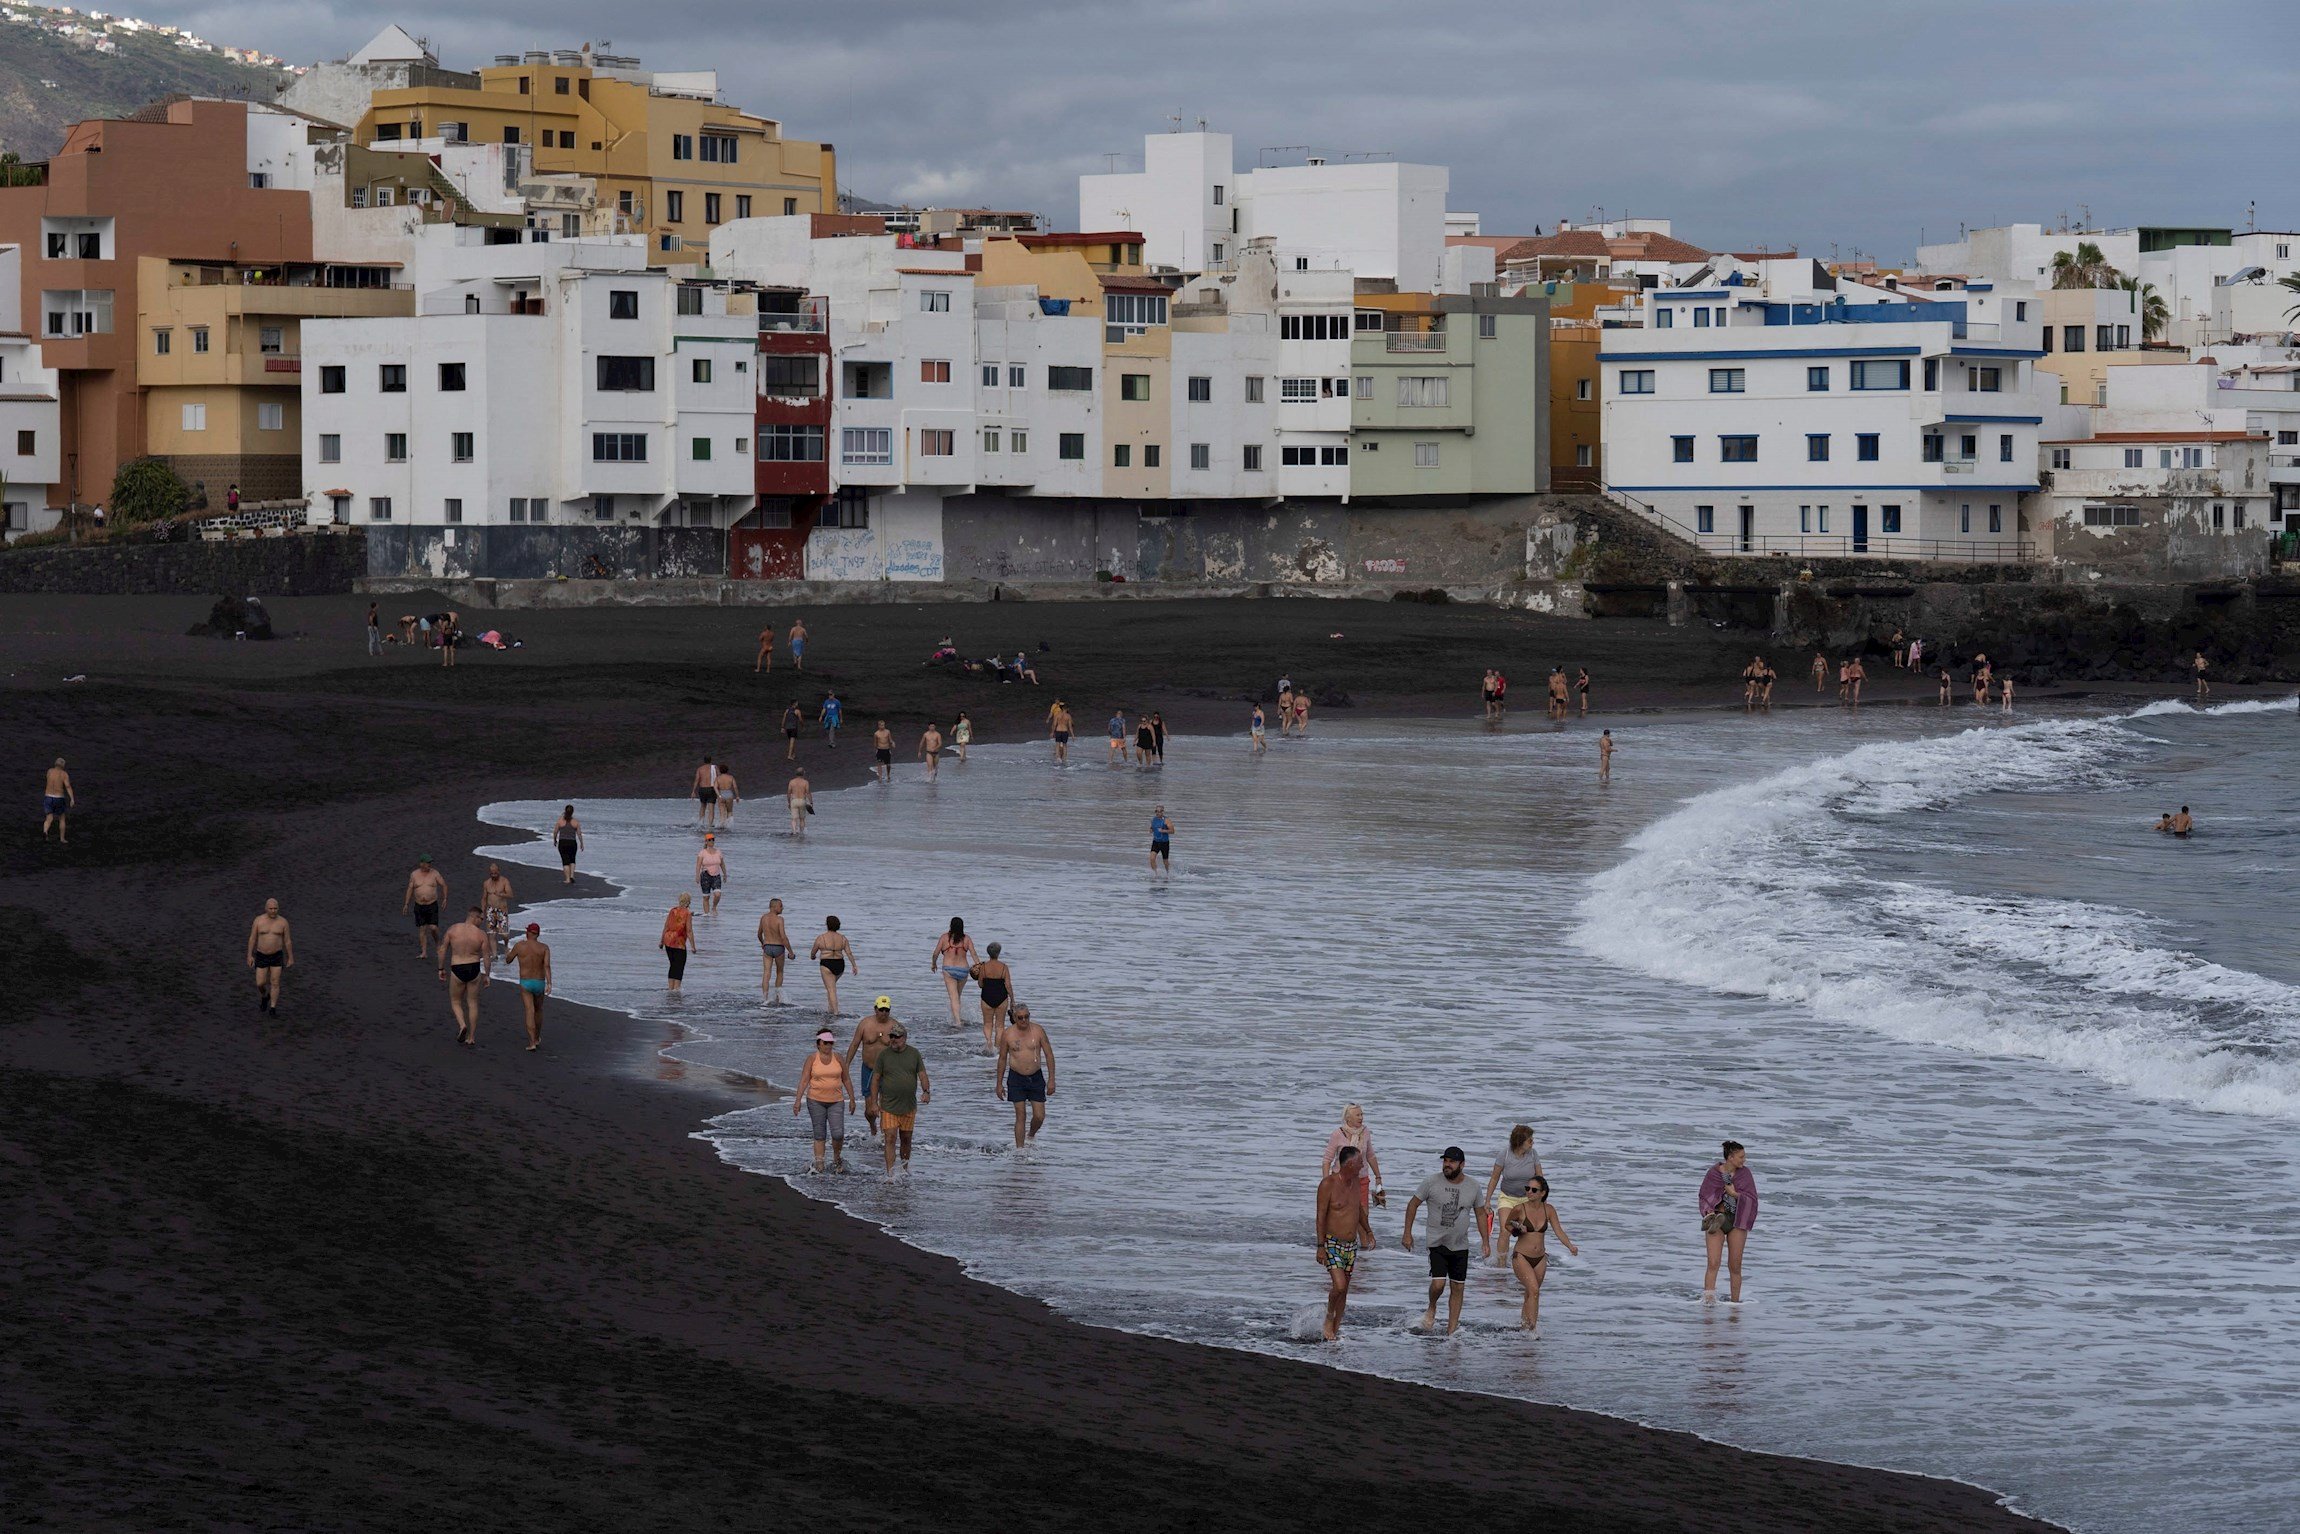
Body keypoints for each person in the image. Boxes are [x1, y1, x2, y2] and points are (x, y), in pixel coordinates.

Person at [1402, 1147, 1486, 1336]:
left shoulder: (1473, 1186)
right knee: (1439, 1284)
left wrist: (1485, 1241)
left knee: (1457, 1286)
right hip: (1437, 1242)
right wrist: (1407, 1233)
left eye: (1452, 1161)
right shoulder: (1431, 1182)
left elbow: (1480, 1212)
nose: (1447, 1165)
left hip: (1460, 1244)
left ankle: (1451, 1330)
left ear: (1462, 1165)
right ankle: (1432, 1307)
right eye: (1445, 1161)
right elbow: (1413, 1204)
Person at [1315, 1144, 1377, 1342]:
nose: (1362, 1165)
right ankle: (1329, 1316)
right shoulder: (1328, 1184)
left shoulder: (1356, 1183)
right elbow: (1320, 1217)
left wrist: (1368, 1231)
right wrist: (1320, 1246)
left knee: (1345, 1290)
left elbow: (1358, 1210)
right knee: (1339, 1286)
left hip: (1351, 1246)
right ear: (1350, 1164)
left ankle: (1335, 1329)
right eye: (1360, 1162)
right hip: (1332, 1242)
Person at [1505, 1174, 1577, 1334]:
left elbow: (1558, 1230)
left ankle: (1526, 1327)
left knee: (1532, 1294)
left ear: (1542, 1193)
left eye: (1533, 1189)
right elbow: (1507, 1225)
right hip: (1521, 1256)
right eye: (1527, 1188)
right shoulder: (1520, 1208)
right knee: (1534, 1290)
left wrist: (1570, 1246)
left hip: (1540, 1258)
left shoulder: (1549, 1209)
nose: (1529, 1192)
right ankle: (1531, 1331)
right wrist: (1518, 1228)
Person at [1700, 1140, 1759, 1303]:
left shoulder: (1745, 1174)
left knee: (1735, 1265)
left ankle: (1735, 1304)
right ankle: (1708, 1302)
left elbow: (1753, 1199)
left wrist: (1734, 1194)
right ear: (1731, 1157)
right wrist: (1709, 1210)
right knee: (1713, 1263)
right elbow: (1704, 1196)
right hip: (1718, 1219)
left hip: (1737, 1220)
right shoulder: (1713, 1173)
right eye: (1741, 1157)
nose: (1744, 1160)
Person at [870, 1019, 929, 1171]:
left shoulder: (914, 1053)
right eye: (891, 1037)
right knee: (890, 1138)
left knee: (906, 1139)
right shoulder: (884, 1055)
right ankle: (890, 1173)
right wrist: (874, 1103)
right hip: (888, 1106)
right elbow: (875, 1079)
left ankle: (904, 1170)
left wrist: (926, 1091)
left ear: (904, 1038)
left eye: (896, 1037)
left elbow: (922, 1075)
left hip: (909, 1106)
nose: (893, 1040)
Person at [995, 1002, 1056, 1148]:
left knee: (1039, 1116)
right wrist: (999, 1083)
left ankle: (1031, 1134)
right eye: (1020, 1018)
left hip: (1036, 1077)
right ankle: (1020, 1150)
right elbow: (1002, 1058)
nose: (1024, 1021)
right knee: (1020, 1115)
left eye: (1026, 1017)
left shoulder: (1038, 1031)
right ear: (1015, 1018)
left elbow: (1049, 1054)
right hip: (1016, 1077)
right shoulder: (1008, 1034)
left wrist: (1051, 1079)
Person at [793, 1027, 854, 1172]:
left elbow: (846, 1079)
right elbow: (804, 1081)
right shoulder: (812, 1059)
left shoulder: (838, 1058)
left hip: (836, 1101)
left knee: (838, 1133)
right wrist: (797, 1101)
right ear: (818, 1043)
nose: (828, 1046)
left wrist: (852, 1098)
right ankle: (819, 1164)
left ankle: (836, 1158)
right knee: (819, 1133)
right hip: (815, 1100)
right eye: (825, 1043)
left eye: (830, 1043)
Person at [1483, 1125, 1546, 1264]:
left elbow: (1540, 1177)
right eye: (1530, 1140)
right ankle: (1501, 1266)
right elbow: (1494, 1178)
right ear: (1520, 1142)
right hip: (1507, 1198)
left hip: (1527, 1199)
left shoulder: (1533, 1154)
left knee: (1528, 1233)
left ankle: (1525, 1262)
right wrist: (1487, 1201)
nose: (1532, 1143)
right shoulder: (1504, 1154)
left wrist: (1542, 1200)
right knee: (1506, 1230)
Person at [439, 906, 492, 1045]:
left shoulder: (453, 929)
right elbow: (486, 956)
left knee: (456, 1001)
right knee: (472, 1003)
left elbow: (442, 949)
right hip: (473, 968)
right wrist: (487, 975)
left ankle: (462, 1025)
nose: (482, 921)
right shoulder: (481, 934)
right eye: (481, 918)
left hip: (457, 967)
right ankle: (471, 1037)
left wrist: (440, 968)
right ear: (474, 917)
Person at [846, 998, 897, 1138]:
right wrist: (846, 1065)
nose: (884, 1013)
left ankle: (883, 1135)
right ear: (875, 1009)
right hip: (869, 1070)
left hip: (887, 1072)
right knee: (870, 1111)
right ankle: (872, 1125)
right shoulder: (865, 1024)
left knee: (885, 1107)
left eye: (887, 1010)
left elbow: (901, 1049)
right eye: (881, 1009)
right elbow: (855, 1044)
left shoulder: (894, 1026)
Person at [1321, 1104, 1386, 1209]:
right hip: (1341, 1181)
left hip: (1361, 1180)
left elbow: (1370, 1155)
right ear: (1348, 1118)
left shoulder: (1365, 1132)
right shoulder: (1337, 1134)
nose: (1361, 1117)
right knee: (1342, 1213)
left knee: (1363, 1214)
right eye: (1357, 1115)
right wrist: (1326, 1183)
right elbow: (1327, 1160)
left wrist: (1378, 1177)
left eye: (1361, 1114)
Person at [506, 922, 551, 1050]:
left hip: (526, 982)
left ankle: (531, 1043)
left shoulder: (520, 945)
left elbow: (508, 960)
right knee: (538, 1010)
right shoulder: (544, 948)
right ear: (537, 934)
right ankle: (537, 1038)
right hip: (539, 982)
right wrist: (549, 983)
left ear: (529, 933)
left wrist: (509, 952)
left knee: (529, 1011)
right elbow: (547, 966)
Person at [245, 898, 293, 1016]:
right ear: (266, 908)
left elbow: (287, 941)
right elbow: (252, 938)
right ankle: (264, 996)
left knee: (275, 982)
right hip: (261, 955)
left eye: (275, 908)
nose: (273, 911)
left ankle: (273, 1008)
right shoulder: (259, 920)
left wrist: (290, 957)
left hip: (277, 955)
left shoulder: (283, 922)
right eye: (271, 908)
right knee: (260, 983)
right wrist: (249, 955)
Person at [931, 917, 977, 1027]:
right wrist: (979, 966)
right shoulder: (967, 939)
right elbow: (974, 954)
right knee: (957, 996)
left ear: (951, 926)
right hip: (963, 970)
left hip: (949, 970)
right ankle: (956, 1017)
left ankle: (957, 1022)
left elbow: (935, 953)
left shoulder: (944, 938)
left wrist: (934, 963)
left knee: (953, 997)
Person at [970, 941, 1014, 1055]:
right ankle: (997, 1048)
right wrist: (1013, 999)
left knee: (987, 1023)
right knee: (1000, 1025)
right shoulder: (1004, 967)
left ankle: (989, 1042)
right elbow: (1008, 985)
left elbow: (980, 984)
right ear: (998, 953)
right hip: (1001, 997)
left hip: (986, 996)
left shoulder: (983, 967)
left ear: (988, 953)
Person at [402, 856, 447, 957]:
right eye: (427, 863)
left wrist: (445, 899)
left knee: (433, 928)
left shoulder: (435, 873)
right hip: (419, 905)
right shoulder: (414, 874)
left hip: (432, 904)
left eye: (430, 863)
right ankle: (424, 952)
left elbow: (444, 885)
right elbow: (410, 888)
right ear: (421, 863)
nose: (429, 865)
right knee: (422, 929)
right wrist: (406, 904)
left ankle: (437, 944)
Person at [811, 914, 857, 1013]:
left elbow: (813, 951)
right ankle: (830, 1009)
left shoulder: (821, 937)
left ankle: (835, 1013)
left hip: (827, 964)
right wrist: (854, 965)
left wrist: (813, 957)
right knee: (830, 987)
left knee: (831, 989)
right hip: (840, 965)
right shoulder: (843, 938)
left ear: (827, 925)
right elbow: (849, 953)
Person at [661, 893, 697, 993]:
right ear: (689, 901)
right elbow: (689, 931)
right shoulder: (687, 913)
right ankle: (676, 989)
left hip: (668, 940)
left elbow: (666, 926)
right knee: (679, 966)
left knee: (673, 965)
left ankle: (670, 988)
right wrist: (693, 947)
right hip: (679, 942)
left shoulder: (673, 910)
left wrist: (661, 941)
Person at [758, 897, 792, 1001]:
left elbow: (759, 934)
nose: (782, 908)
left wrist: (763, 943)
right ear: (774, 907)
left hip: (767, 947)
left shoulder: (763, 918)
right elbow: (783, 937)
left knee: (766, 973)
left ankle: (765, 998)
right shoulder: (780, 919)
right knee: (780, 972)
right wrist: (791, 951)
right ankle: (777, 998)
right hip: (778, 948)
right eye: (781, 906)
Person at [481, 862, 516, 956]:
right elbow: (484, 898)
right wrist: (482, 911)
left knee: (504, 934)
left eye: (495, 873)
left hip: (501, 910)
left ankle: (506, 945)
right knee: (491, 934)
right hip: (490, 911)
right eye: (492, 873)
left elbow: (511, 895)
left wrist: (501, 894)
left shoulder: (504, 881)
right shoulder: (486, 883)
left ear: (498, 872)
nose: (493, 875)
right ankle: (494, 955)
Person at [41, 757, 74, 844]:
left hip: (48, 797)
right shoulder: (64, 774)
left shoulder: (49, 771)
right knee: (62, 818)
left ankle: (45, 831)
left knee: (49, 818)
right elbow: (67, 786)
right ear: (63, 765)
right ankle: (62, 838)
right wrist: (72, 798)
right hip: (59, 798)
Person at [695, 833, 727, 915]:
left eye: (713, 839)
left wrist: (725, 874)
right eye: (710, 840)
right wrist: (697, 876)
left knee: (717, 894)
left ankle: (714, 907)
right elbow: (698, 865)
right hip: (705, 875)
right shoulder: (702, 853)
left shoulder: (718, 852)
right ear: (706, 842)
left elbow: (722, 864)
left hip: (716, 875)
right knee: (706, 897)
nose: (712, 841)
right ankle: (707, 916)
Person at [553, 804, 583, 885]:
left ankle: (567, 879)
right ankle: (572, 876)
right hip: (572, 843)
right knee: (572, 859)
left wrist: (555, 840)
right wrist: (582, 843)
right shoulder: (575, 822)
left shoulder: (560, 821)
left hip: (563, 842)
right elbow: (579, 834)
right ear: (573, 812)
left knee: (565, 861)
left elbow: (555, 831)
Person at [692, 758, 720, 827]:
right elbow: (719, 777)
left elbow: (697, 779)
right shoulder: (715, 767)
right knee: (711, 808)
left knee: (703, 806)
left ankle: (700, 823)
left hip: (702, 789)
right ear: (711, 760)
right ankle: (710, 825)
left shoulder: (700, 769)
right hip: (711, 788)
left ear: (704, 761)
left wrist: (693, 791)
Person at [1149, 805, 1175, 874]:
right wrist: (1151, 830)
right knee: (1152, 858)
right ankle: (1156, 874)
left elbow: (1172, 831)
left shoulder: (1167, 820)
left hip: (1164, 843)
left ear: (1163, 812)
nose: (1158, 813)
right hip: (1156, 842)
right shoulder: (1153, 819)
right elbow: (1152, 827)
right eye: (1156, 811)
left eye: (1159, 811)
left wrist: (1163, 831)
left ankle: (1168, 873)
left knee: (1165, 861)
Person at [1048, 699, 1074, 765]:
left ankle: (1058, 758)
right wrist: (1073, 735)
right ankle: (1064, 759)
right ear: (1066, 709)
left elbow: (1054, 724)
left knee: (1057, 745)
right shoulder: (1068, 716)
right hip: (1065, 731)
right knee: (1065, 745)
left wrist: (1052, 732)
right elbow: (1070, 727)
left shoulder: (1057, 715)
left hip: (1058, 730)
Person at [787, 769, 813, 836]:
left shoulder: (791, 781)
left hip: (794, 800)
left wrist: (789, 802)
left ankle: (794, 832)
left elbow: (789, 793)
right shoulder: (805, 782)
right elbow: (807, 793)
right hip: (802, 800)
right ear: (803, 774)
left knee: (794, 819)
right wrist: (811, 802)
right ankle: (801, 833)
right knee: (802, 819)